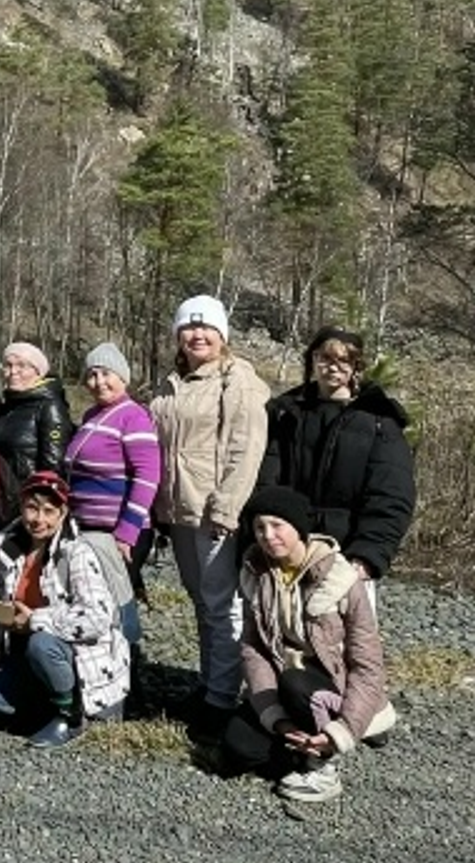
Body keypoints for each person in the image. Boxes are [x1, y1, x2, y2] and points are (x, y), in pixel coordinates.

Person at [212, 486, 396, 803]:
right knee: (236, 751)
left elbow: (367, 664)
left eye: (277, 525)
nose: (268, 535)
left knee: (296, 681)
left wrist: (341, 733)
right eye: (259, 527)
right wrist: (277, 720)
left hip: (330, 686)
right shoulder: (255, 573)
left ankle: (323, 764)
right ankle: (298, 746)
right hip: (283, 686)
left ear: (299, 528)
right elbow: (253, 649)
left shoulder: (341, 579)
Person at [150, 293, 270, 733]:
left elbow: (246, 448)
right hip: (177, 512)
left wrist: (227, 507)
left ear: (222, 335)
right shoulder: (171, 384)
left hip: (215, 512)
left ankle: (222, 699)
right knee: (201, 603)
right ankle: (209, 682)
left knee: (224, 607)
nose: (197, 335)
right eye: (188, 328)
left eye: (206, 328)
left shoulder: (238, 380)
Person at [0, 470, 130, 746]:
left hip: (81, 663)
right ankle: (48, 708)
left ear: (62, 513)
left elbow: (98, 617)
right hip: (32, 659)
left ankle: (72, 715)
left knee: (41, 643)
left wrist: (35, 620)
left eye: (49, 511)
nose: (38, 519)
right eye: (31, 508)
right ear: (21, 507)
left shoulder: (76, 553)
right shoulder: (12, 548)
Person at [260, 326, 416, 594]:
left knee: (350, 634)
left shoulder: (379, 422)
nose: (333, 368)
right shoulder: (287, 414)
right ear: (312, 360)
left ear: (357, 366)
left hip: (348, 556)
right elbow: (266, 481)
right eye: (324, 358)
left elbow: (391, 496)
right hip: (288, 548)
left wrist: (368, 556)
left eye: (343, 361)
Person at [65, 343, 160, 646]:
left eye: (106, 373)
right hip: (88, 528)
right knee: (91, 601)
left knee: (116, 603)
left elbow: (148, 476)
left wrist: (127, 532)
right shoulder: (93, 415)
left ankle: (126, 671)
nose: (99, 382)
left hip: (118, 531)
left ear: (123, 377)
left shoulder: (133, 417)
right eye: (92, 375)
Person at [0, 340, 73, 527]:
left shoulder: (49, 407)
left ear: (38, 372)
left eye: (22, 366)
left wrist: (36, 506)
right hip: (3, 504)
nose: (13, 372)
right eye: (8, 365)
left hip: (29, 508)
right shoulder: (10, 407)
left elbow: (53, 466)